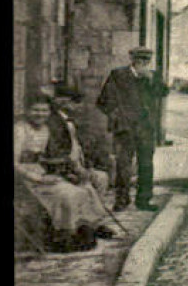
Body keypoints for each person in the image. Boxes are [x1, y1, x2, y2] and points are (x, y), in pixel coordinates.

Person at [13, 98, 116, 252]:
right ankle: (64, 235)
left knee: (81, 190)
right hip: (23, 178)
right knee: (69, 194)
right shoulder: (20, 130)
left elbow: (43, 158)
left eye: (44, 110)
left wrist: (62, 172)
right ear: (27, 111)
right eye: (35, 110)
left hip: (40, 172)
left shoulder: (45, 129)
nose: (40, 114)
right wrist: (38, 178)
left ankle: (79, 230)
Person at [98, 47, 162, 211]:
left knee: (146, 165)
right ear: (133, 60)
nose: (143, 64)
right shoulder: (118, 76)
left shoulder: (153, 77)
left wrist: (151, 81)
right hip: (125, 129)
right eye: (140, 60)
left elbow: (163, 93)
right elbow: (103, 101)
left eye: (146, 61)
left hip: (146, 129)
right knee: (123, 165)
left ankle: (144, 201)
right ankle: (122, 200)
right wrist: (117, 116)